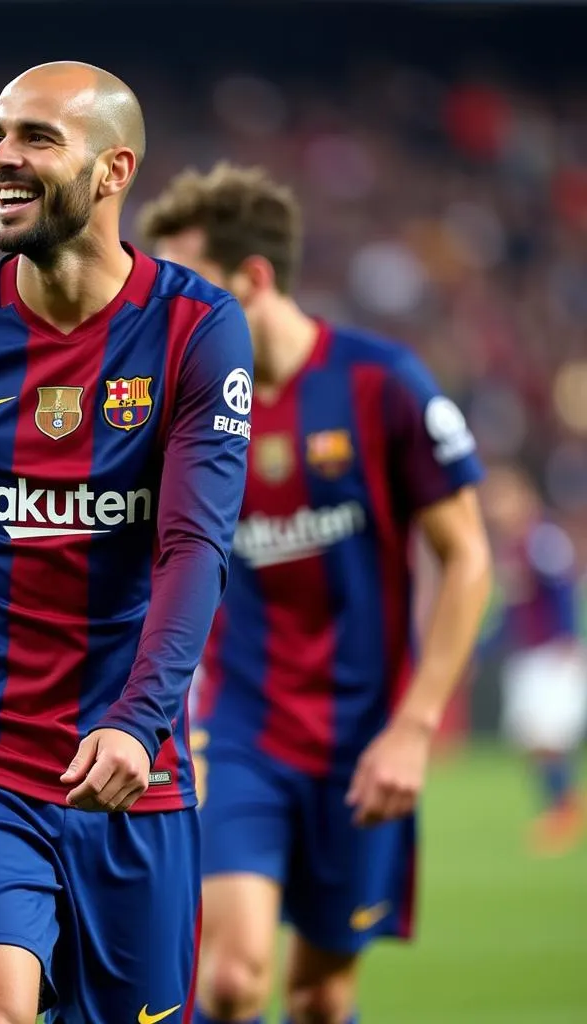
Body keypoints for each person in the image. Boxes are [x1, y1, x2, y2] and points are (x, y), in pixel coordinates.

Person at [0, 62, 253, 1024]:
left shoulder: (197, 327)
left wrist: (139, 720)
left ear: (114, 170)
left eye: (36, 138)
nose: (3, 160)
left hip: (132, 766)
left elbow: (194, 548)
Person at [139, 164, 492, 1024]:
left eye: (189, 291)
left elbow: (469, 557)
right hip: (242, 730)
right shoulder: (183, 411)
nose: (168, 317)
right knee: (228, 982)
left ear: (254, 280)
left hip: (363, 740)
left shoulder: (384, 384)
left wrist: (414, 728)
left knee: (322, 999)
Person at [480, 463, 586, 857]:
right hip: (526, 654)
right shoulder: (513, 549)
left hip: (551, 652)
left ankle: (563, 810)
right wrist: (482, 650)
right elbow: (511, 614)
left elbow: (561, 590)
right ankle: (562, 805)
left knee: (549, 736)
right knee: (533, 740)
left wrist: (568, 640)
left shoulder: (543, 539)